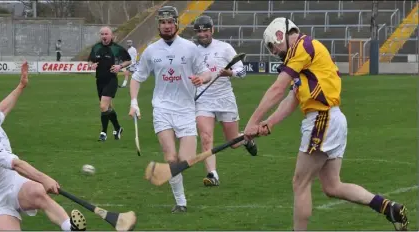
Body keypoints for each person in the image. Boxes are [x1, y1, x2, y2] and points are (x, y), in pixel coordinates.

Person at [243, 17, 409, 231]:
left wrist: (252, 122)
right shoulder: (303, 55)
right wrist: (270, 122)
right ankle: (389, 208)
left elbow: (277, 89)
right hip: (332, 119)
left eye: (272, 46)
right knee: (332, 186)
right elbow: (293, 97)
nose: (274, 52)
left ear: (279, 34)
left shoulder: (302, 46)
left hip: (323, 119)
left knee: (300, 183)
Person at [0, 61, 87, 231]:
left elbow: (3, 107)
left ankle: (70, 227)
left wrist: (21, 86)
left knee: (37, 192)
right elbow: (17, 164)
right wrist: (44, 179)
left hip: (14, 183)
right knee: (38, 187)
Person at [128, 6, 212, 213]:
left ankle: (176, 181)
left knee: (185, 160)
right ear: (159, 25)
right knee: (170, 157)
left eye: (170, 22)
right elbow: (137, 78)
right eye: (162, 23)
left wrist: (201, 78)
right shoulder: (151, 51)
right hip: (162, 109)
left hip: (185, 110)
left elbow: (207, 73)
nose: (166, 26)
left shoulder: (190, 48)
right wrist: (134, 102)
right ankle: (181, 203)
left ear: (176, 23)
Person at [193, 15, 258, 187]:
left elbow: (242, 73)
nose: (202, 34)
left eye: (205, 30)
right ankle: (212, 174)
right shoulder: (192, 51)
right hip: (203, 99)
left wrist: (229, 73)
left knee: (233, 142)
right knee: (206, 137)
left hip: (224, 99)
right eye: (199, 31)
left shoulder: (225, 48)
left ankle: (246, 139)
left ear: (212, 30)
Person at [88, 26, 131, 141]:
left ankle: (103, 133)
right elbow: (90, 60)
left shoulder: (116, 48)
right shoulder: (96, 47)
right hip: (99, 81)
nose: (104, 36)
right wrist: (91, 65)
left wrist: (120, 66)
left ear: (111, 35)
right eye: (102, 34)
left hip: (111, 80)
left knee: (103, 106)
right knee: (108, 108)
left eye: (106, 34)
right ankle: (117, 128)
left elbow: (129, 60)